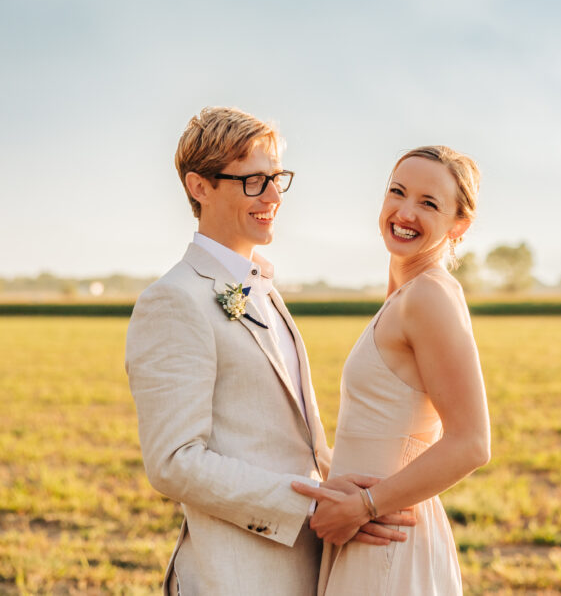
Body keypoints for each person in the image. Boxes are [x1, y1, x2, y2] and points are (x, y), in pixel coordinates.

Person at [125, 106, 413, 595]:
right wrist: (309, 505)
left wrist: (361, 496)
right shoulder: (173, 300)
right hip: (233, 575)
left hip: (308, 565)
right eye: (254, 181)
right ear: (200, 187)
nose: (274, 196)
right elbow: (174, 460)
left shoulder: (262, 286)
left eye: (278, 178)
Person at [292, 146, 491, 595]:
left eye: (428, 203)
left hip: (387, 541)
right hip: (364, 532)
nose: (405, 212)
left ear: (459, 225)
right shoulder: (405, 295)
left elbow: (473, 443)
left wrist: (363, 506)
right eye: (397, 192)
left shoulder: (429, 297)